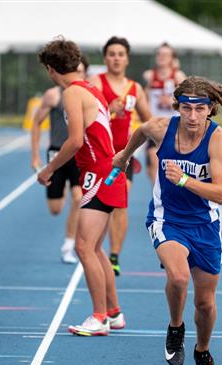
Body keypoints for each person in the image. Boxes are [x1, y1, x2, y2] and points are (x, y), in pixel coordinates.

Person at [113, 76, 222, 365]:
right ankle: (176, 328)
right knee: (178, 276)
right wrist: (125, 156)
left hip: (206, 225)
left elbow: (221, 194)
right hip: (167, 219)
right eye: (187, 108)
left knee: (205, 304)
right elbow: (140, 131)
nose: (193, 116)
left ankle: (202, 351)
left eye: (200, 108)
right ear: (178, 107)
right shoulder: (163, 129)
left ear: (210, 109)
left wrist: (183, 180)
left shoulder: (218, 140)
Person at [37, 37, 126, 336]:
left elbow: (75, 141)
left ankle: (99, 316)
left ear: (51, 69)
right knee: (96, 248)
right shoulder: (91, 88)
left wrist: (49, 168)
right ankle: (113, 312)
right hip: (106, 172)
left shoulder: (73, 93)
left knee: (83, 247)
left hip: (98, 175)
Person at [90, 36, 152, 277]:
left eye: (120, 54)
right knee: (99, 204)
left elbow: (148, 119)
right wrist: (108, 108)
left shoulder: (135, 88)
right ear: (105, 58)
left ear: (127, 59)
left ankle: (114, 255)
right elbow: (86, 114)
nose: (116, 58)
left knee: (120, 203)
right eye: (112, 54)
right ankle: (95, 248)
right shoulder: (95, 81)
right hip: (98, 154)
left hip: (122, 156)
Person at [29, 56, 89, 264]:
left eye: (83, 71)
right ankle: (61, 190)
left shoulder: (86, 95)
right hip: (56, 154)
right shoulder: (53, 96)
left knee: (78, 198)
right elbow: (36, 123)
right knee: (55, 209)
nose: (79, 74)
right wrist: (35, 155)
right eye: (77, 70)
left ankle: (68, 245)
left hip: (78, 154)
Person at [143, 43, 187, 184]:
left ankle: (172, 193)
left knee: (173, 165)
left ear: (172, 58)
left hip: (173, 126)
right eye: (159, 54)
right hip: (155, 125)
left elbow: (186, 99)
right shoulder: (150, 76)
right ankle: (157, 195)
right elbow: (144, 98)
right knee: (152, 160)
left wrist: (171, 100)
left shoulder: (178, 76)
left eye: (165, 55)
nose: (161, 57)